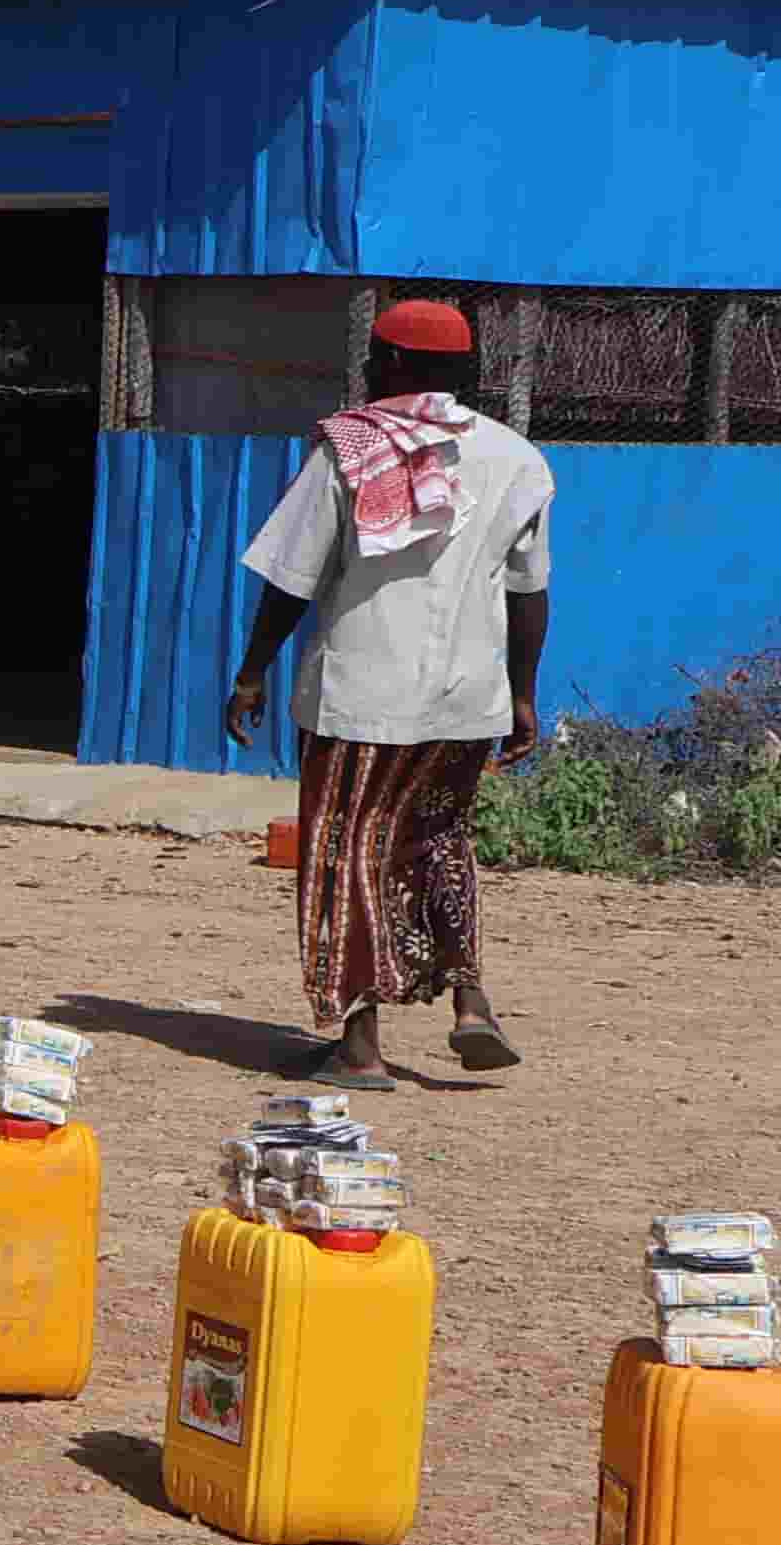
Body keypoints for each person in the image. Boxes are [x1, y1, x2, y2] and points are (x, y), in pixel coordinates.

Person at [223, 298, 552, 1085]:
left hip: (362, 699)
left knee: (344, 853)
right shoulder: (517, 459)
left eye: (376, 358)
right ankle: (471, 1001)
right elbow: (529, 592)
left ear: (397, 365)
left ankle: (361, 1047)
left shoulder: (352, 448)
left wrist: (251, 670)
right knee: (438, 842)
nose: (369, 371)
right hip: (467, 702)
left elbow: (292, 578)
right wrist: (523, 696)